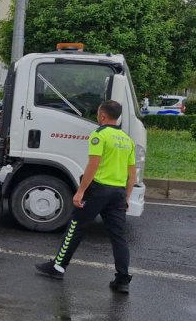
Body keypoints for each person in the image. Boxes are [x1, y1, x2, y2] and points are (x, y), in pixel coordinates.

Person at [35, 100, 137, 293]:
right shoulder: (127, 139)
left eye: (98, 113)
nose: (98, 117)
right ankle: (122, 279)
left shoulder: (99, 135)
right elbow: (132, 174)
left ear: (103, 116)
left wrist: (81, 191)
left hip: (98, 189)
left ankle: (58, 266)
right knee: (118, 236)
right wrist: (127, 197)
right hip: (118, 192)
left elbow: (93, 165)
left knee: (76, 226)